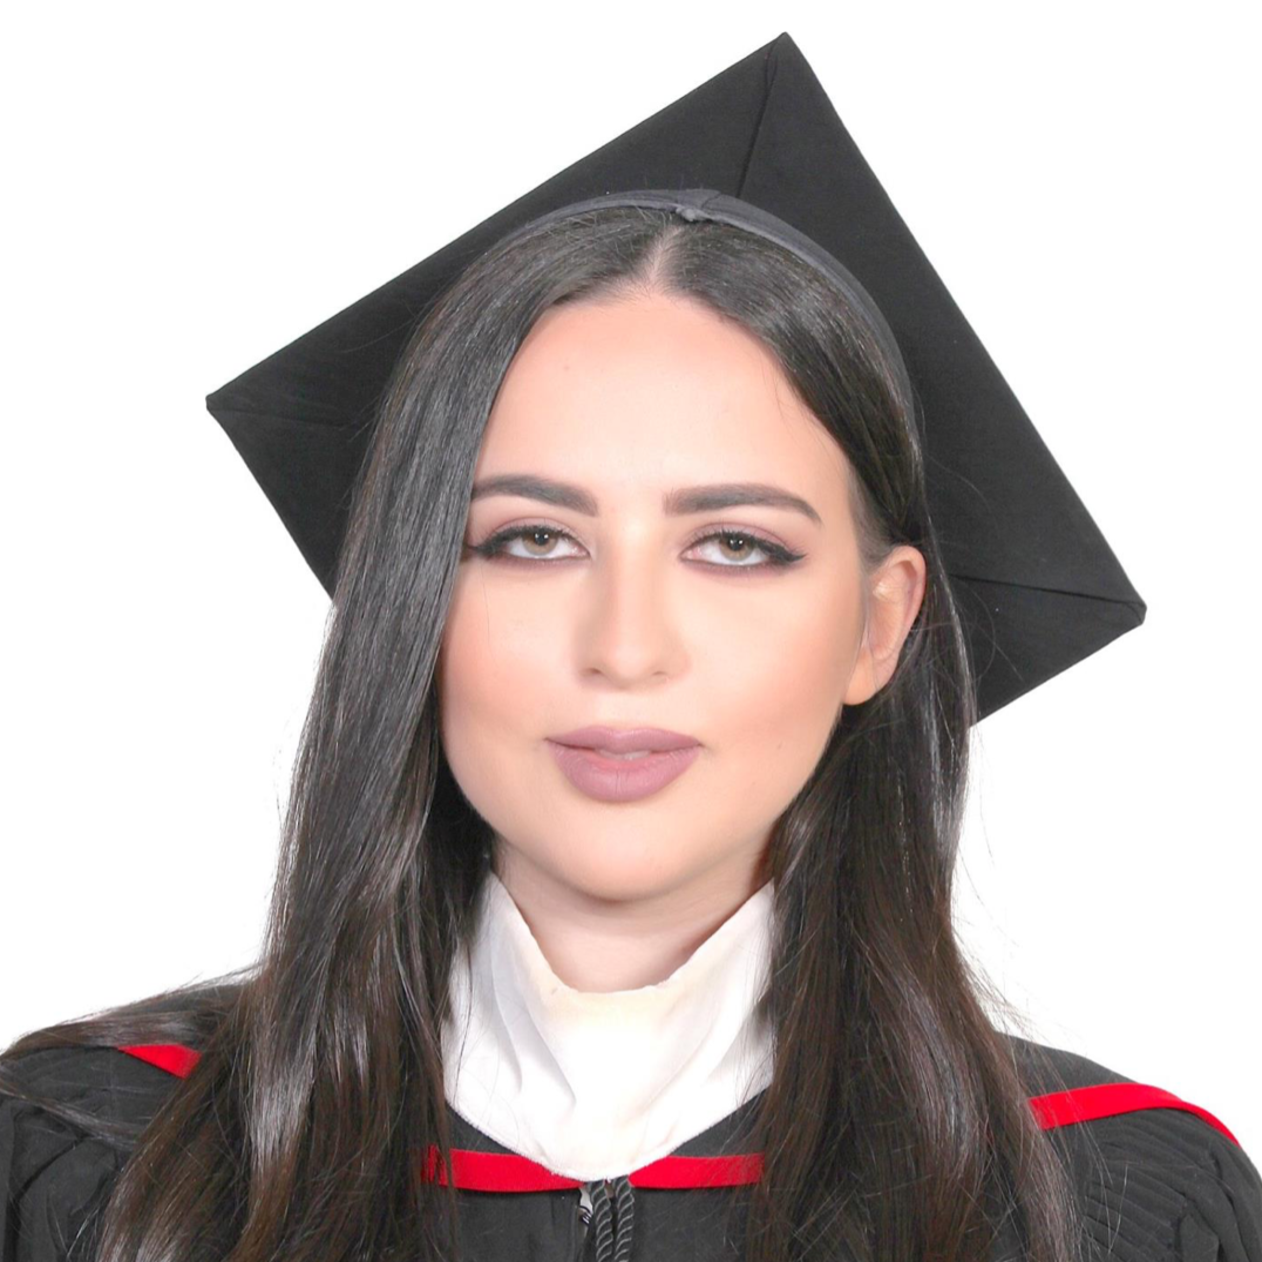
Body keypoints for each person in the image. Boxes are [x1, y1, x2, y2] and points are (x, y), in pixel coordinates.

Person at [2, 32, 1259, 1262]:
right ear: (411, 598)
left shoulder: (1106, 1207)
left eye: (735, 545)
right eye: (532, 538)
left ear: (877, 624)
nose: (624, 645)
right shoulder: (100, 1166)